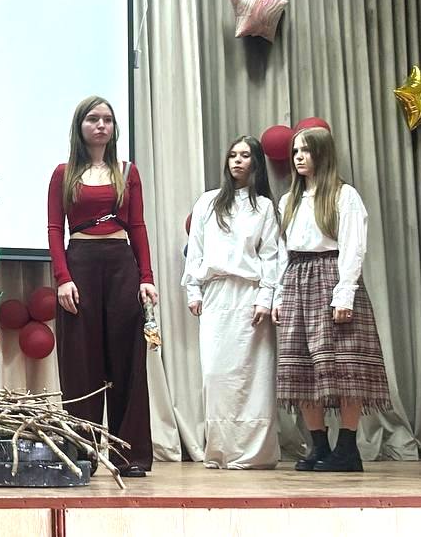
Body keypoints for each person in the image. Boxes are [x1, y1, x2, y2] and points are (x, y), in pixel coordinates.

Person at [47, 95, 157, 478]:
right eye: (93, 119)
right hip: (79, 265)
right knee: (80, 364)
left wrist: (146, 277)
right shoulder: (63, 174)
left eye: (107, 119)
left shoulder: (128, 172)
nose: (101, 125)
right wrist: (63, 278)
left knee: (128, 363)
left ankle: (131, 455)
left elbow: (138, 226)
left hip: (122, 267)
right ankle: (82, 451)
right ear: (80, 126)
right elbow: (54, 229)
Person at [274, 126, 390, 472]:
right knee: (302, 367)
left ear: (322, 154)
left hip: (331, 276)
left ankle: (348, 448)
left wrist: (345, 293)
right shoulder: (289, 200)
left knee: (344, 366)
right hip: (297, 277)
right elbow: (281, 253)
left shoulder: (344, 195)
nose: (299, 157)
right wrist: (279, 294)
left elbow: (353, 247)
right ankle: (320, 446)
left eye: (306, 150)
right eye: (296, 151)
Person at [182, 135, 283, 470]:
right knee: (216, 375)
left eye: (245, 155)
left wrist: (266, 297)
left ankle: (254, 453)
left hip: (250, 298)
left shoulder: (264, 207)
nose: (238, 160)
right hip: (215, 295)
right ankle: (220, 451)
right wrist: (193, 290)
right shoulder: (208, 202)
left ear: (256, 162)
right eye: (233, 155)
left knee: (252, 377)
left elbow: (271, 255)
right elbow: (195, 250)